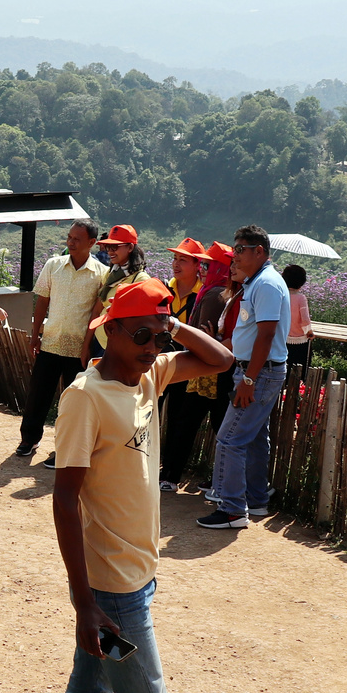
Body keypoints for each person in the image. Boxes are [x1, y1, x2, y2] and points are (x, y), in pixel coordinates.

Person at [50, 278, 236, 693]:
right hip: (116, 594)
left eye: (159, 331)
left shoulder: (148, 377)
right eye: (142, 332)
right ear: (110, 331)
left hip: (138, 580)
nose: (154, 341)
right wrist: (86, 603)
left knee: (89, 685)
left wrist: (169, 323)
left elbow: (223, 361)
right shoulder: (87, 398)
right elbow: (65, 499)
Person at [198, 226, 290, 528]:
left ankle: (233, 509)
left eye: (240, 249)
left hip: (259, 372)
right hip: (257, 370)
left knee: (229, 439)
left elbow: (266, 335)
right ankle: (256, 499)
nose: (234, 254)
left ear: (259, 251)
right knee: (253, 438)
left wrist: (248, 380)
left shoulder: (265, 284)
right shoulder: (257, 282)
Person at [17, 219, 106, 463]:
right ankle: (29, 439)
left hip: (79, 349)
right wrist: (35, 336)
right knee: (38, 394)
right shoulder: (53, 265)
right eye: (69, 237)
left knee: (72, 404)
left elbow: (96, 314)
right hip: (50, 342)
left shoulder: (101, 274)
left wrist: (88, 346)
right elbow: (42, 301)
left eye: (77, 239)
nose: (71, 242)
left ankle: (65, 448)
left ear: (91, 243)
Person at [158, 241, 234, 493]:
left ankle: (170, 474)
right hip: (207, 367)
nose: (205, 267)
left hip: (198, 369)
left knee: (185, 422)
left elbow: (203, 336)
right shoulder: (227, 291)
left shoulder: (213, 293)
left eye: (208, 264)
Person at [80, 224, 148, 367]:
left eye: (115, 247)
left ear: (130, 248)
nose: (110, 251)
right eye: (108, 247)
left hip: (118, 349)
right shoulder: (110, 274)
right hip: (100, 343)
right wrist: (86, 346)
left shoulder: (141, 280)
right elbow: (97, 310)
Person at [283, 264, 313, 371]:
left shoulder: (281, 296)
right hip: (300, 340)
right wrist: (309, 332)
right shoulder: (301, 298)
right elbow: (305, 320)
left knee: (285, 365)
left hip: (283, 338)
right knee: (299, 368)